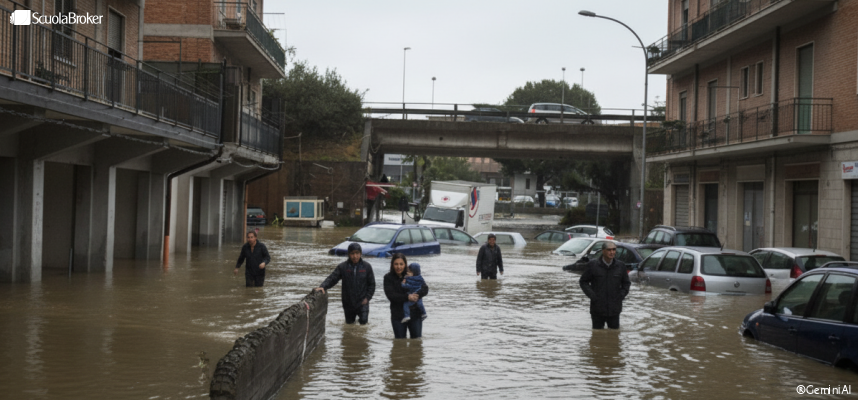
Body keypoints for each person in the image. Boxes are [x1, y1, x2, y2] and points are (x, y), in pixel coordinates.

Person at [315, 243, 375, 325]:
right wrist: (323, 286)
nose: (355, 256)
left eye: (357, 253)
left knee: (363, 325)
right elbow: (333, 278)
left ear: (360, 254)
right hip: (348, 303)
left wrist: (367, 298)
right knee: (349, 325)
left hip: (362, 302)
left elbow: (372, 285)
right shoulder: (343, 267)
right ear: (348, 254)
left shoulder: (367, 267)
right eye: (352, 253)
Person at [579, 241, 631, 329]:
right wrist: (592, 296)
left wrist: (621, 295)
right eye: (609, 250)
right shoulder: (593, 265)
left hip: (614, 309)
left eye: (614, 250)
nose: (612, 252)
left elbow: (626, 283)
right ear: (603, 251)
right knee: (597, 335)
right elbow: (583, 282)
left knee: (614, 336)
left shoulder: (620, 266)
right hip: (597, 309)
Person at [384, 253, 428, 338]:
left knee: (416, 343)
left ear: (405, 265)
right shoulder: (388, 278)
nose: (399, 267)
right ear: (392, 265)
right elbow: (391, 296)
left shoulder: (411, 274)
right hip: (398, 315)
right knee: (400, 343)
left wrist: (417, 295)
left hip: (415, 313)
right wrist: (407, 297)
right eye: (396, 264)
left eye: (401, 264)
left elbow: (425, 289)